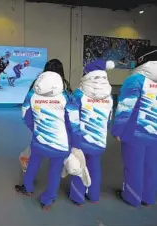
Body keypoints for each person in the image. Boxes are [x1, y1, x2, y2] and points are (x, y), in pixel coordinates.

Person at [15, 60, 81, 210]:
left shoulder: (33, 91)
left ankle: (28, 187)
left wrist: (35, 129)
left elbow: (25, 114)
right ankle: (47, 201)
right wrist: (74, 141)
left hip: (39, 138)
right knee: (55, 171)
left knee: (34, 161)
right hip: (61, 141)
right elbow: (73, 121)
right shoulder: (65, 93)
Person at [111, 46, 157, 207]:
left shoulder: (135, 80)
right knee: (151, 167)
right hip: (154, 132)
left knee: (133, 166)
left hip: (134, 132)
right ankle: (148, 198)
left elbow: (125, 108)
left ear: (140, 60)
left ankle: (132, 197)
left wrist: (117, 130)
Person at [68, 60, 115, 206]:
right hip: (99, 139)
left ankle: (77, 197)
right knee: (95, 166)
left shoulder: (78, 94)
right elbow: (108, 119)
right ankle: (94, 196)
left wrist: (72, 137)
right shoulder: (109, 96)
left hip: (81, 139)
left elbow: (71, 118)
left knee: (79, 165)